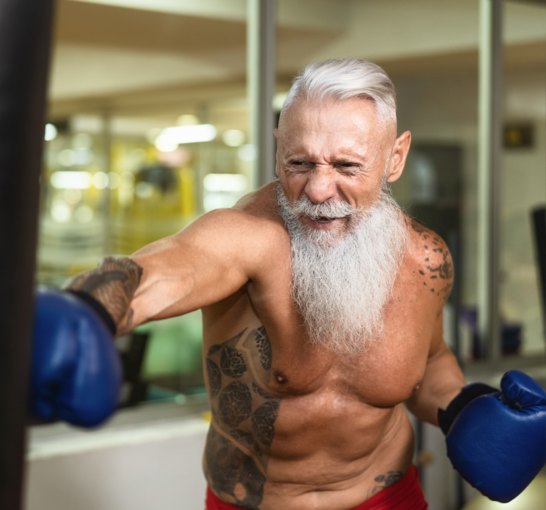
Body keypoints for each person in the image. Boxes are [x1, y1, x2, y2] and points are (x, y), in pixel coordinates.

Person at [30, 59, 546, 510]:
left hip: (389, 501)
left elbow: (428, 362)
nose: (319, 190)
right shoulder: (248, 237)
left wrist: (460, 406)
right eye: (299, 163)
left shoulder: (425, 259)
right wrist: (87, 310)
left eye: (347, 166)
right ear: (279, 147)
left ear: (395, 157)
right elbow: (163, 269)